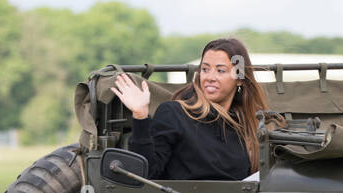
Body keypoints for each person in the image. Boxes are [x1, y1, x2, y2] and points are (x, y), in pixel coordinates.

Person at [112, 37, 269, 180]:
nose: (210, 77)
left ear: (240, 79)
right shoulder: (174, 114)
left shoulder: (249, 127)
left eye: (221, 70)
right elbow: (146, 175)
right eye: (205, 69)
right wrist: (140, 115)